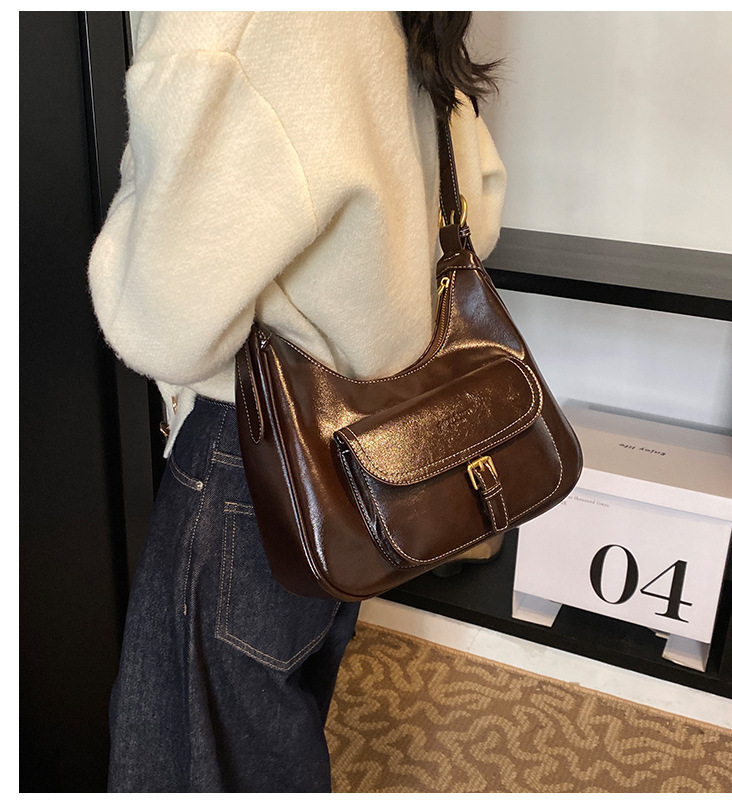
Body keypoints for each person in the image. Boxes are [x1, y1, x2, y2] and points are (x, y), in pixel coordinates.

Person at [88, 10, 507, 792]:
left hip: (256, 456)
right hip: (373, 454)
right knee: (274, 730)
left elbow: (162, 322)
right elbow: (476, 213)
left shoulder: (244, 22)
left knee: (194, 762)